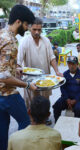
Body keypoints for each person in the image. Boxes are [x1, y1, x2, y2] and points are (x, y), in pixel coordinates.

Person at [0, 5, 36, 150]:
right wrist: (27, 85)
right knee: (26, 123)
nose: (27, 29)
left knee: (2, 131)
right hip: (8, 94)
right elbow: (3, 76)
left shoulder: (2, 34)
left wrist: (16, 69)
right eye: (27, 25)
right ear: (18, 22)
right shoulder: (10, 40)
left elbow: (4, 66)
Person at [17, 17, 62, 108]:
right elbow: (19, 60)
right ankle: (32, 120)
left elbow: (52, 58)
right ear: (30, 28)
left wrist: (57, 71)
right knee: (32, 102)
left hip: (45, 78)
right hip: (30, 80)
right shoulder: (24, 41)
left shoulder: (46, 41)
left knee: (45, 100)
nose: (37, 32)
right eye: (34, 29)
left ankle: (45, 118)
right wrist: (18, 74)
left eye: (39, 30)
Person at [53, 56, 80, 122]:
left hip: (78, 99)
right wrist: (67, 99)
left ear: (77, 64)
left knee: (78, 109)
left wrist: (75, 100)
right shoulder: (65, 74)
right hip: (66, 98)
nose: (71, 66)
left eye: (73, 64)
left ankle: (77, 125)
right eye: (69, 64)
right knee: (56, 105)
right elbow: (62, 88)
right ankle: (57, 122)